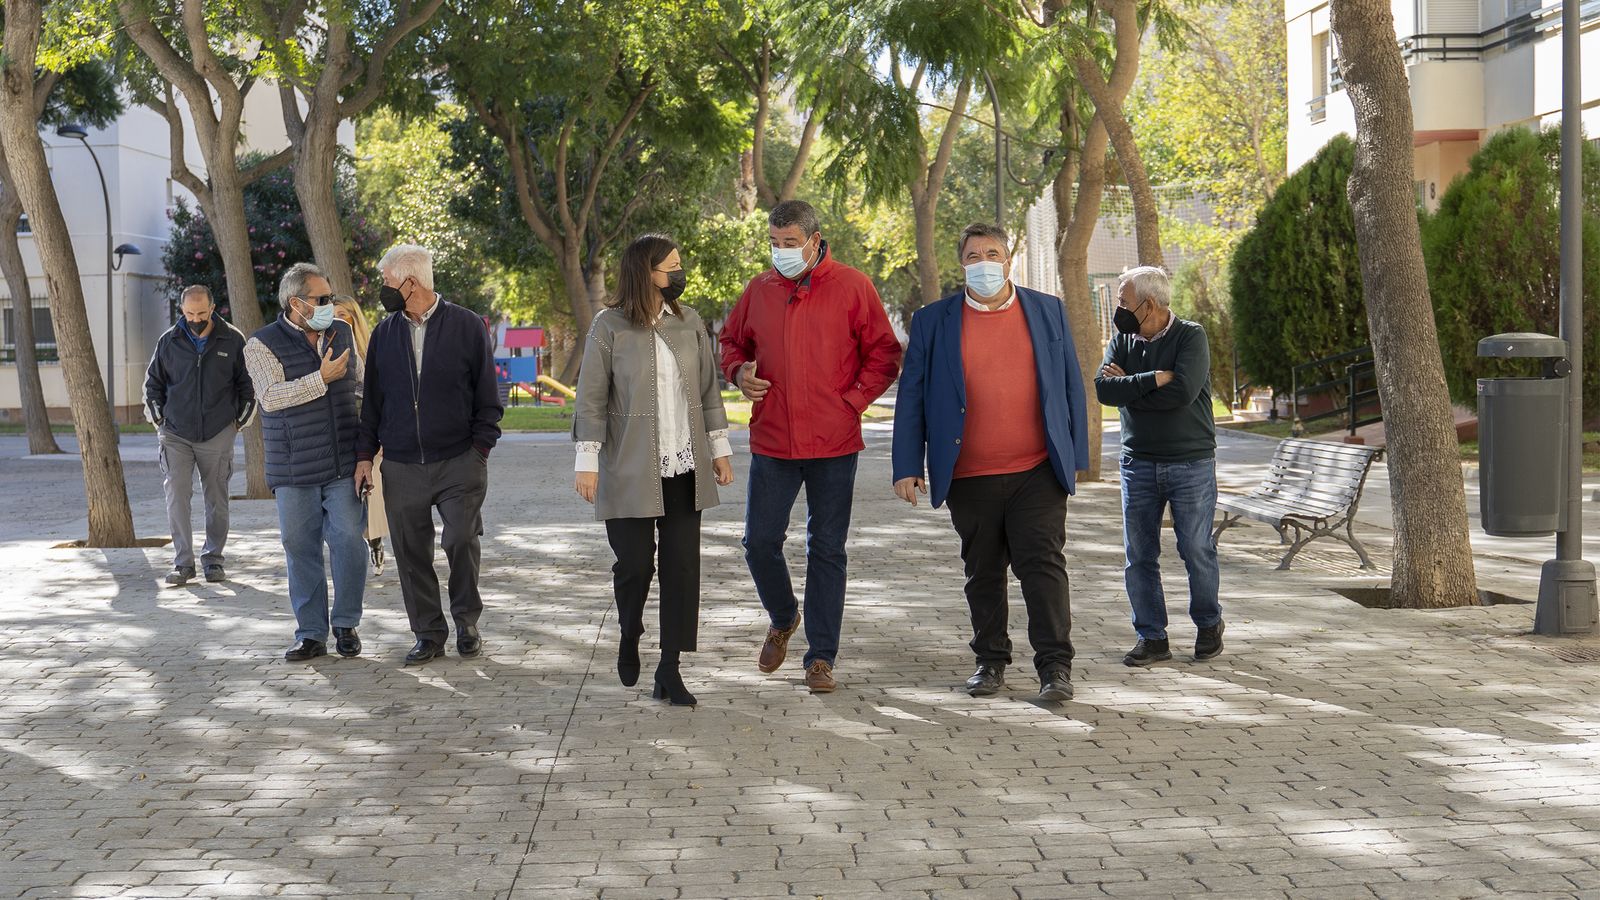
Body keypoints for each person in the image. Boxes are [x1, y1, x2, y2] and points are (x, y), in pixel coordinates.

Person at [891, 223, 1087, 702]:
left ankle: (1055, 668)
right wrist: (905, 464)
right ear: (962, 264)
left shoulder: (1047, 311)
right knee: (983, 571)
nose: (983, 262)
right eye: (973, 255)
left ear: (1008, 259)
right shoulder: (933, 320)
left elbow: (1069, 385)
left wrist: (1075, 453)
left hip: (1036, 470)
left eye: (992, 253)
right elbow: (911, 395)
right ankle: (990, 662)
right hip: (968, 471)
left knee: (1043, 567)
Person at [719, 199, 902, 694]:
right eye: (775, 243)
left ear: (815, 241)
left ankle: (820, 658)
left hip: (835, 441)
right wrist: (739, 372)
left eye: (791, 243)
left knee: (827, 549)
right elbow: (730, 343)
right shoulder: (758, 289)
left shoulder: (853, 285)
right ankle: (783, 617)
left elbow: (885, 353)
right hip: (774, 440)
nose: (781, 252)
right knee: (758, 543)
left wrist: (853, 401)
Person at [572, 233, 735, 707]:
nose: (680, 273)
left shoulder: (690, 324)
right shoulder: (609, 326)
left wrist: (719, 449)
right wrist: (587, 461)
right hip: (627, 467)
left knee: (682, 568)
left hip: (685, 465)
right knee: (636, 566)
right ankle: (629, 629)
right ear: (646, 272)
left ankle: (669, 667)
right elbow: (591, 397)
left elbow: (708, 391)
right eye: (672, 266)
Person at [355, 244, 503, 666]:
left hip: (459, 459)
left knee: (460, 539)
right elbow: (373, 404)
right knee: (411, 551)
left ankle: (466, 622)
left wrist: (479, 450)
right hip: (401, 465)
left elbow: (488, 398)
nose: (382, 288)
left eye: (386, 281)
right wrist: (365, 456)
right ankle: (428, 633)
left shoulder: (468, 325)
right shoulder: (384, 333)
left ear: (411, 282)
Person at [1093, 265, 1224, 667]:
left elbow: (1183, 392)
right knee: (1140, 555)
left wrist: (1131, 385)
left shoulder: (1192, 336)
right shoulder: (1122, 339)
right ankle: (1152, 638)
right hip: (1138, 464)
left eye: (1122, 300)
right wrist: (1155, 378)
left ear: (1147, 304)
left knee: (1195, 549)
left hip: (1191, 464)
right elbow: (1103, 389)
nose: (1118, 307)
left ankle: (1208, 624)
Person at [243, 264, 367, 661]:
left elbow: (361, 380)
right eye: (322, 299)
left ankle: (346, 624)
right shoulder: (260, 344)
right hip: (294, 468)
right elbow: (271, 397)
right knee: (300, 548)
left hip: (342, 462)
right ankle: (311, 634)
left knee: (349, 540)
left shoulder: (341, 332)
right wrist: (322, 378)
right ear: (296, 303)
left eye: (330, 298)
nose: (330, 305)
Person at [143, 285, 256, 586]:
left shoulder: (232, 339)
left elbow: (248, 385)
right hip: (176, 434)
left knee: (216, 499)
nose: (195, 319)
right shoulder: (168, 342)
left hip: (218, 432)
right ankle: (183, 563)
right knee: (177, 496)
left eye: (201, 313)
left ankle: (214, 560)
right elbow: (153, 384)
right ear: (182, 310)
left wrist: (238, 423)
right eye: (190, 313)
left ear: (213, 307)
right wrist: (159, 419)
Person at [333, 296, 389, 577]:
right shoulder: (324, 350)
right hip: (339, 431)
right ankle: (356, 546)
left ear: (355, 319)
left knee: (371, 489)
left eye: (345, 315)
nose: (339, 321)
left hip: (368, 427)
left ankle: (375, 540)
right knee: (347, 491)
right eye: (333, 316)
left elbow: (380, 396)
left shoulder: (371, 351)